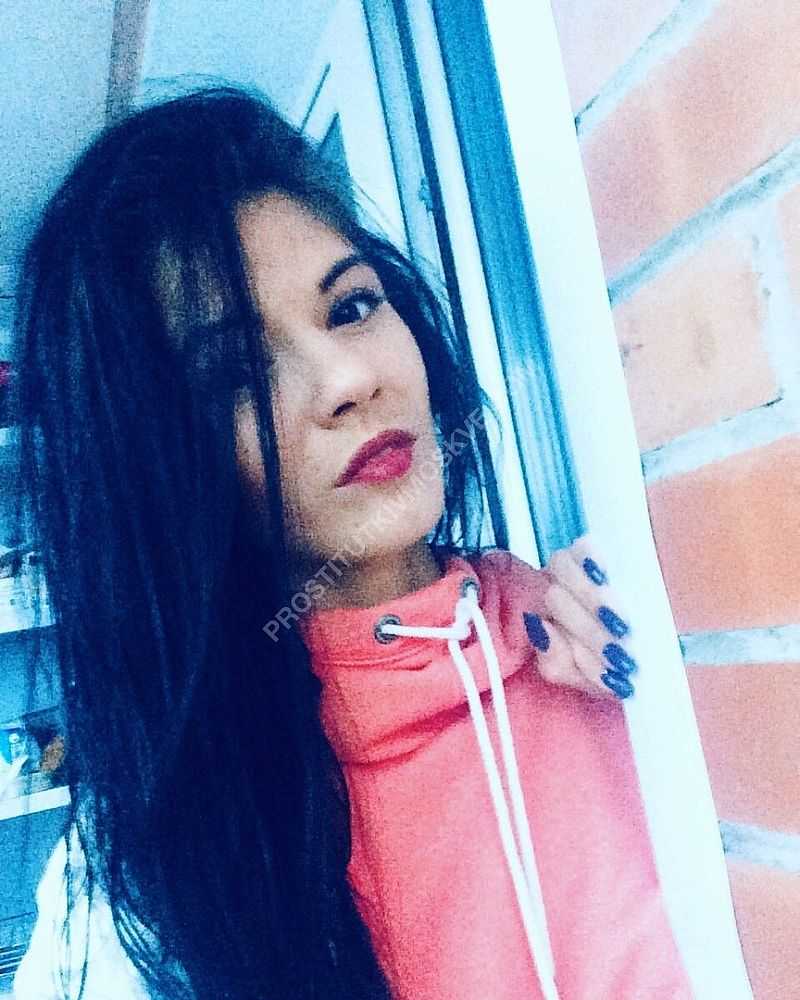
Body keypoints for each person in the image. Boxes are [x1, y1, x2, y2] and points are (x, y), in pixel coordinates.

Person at [9, 87, 690, 999]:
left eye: (352, 306)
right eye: (236, 373)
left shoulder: (593, 642)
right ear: (157, 467)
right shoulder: (144, 880)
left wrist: (686, 657)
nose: (347, 380)